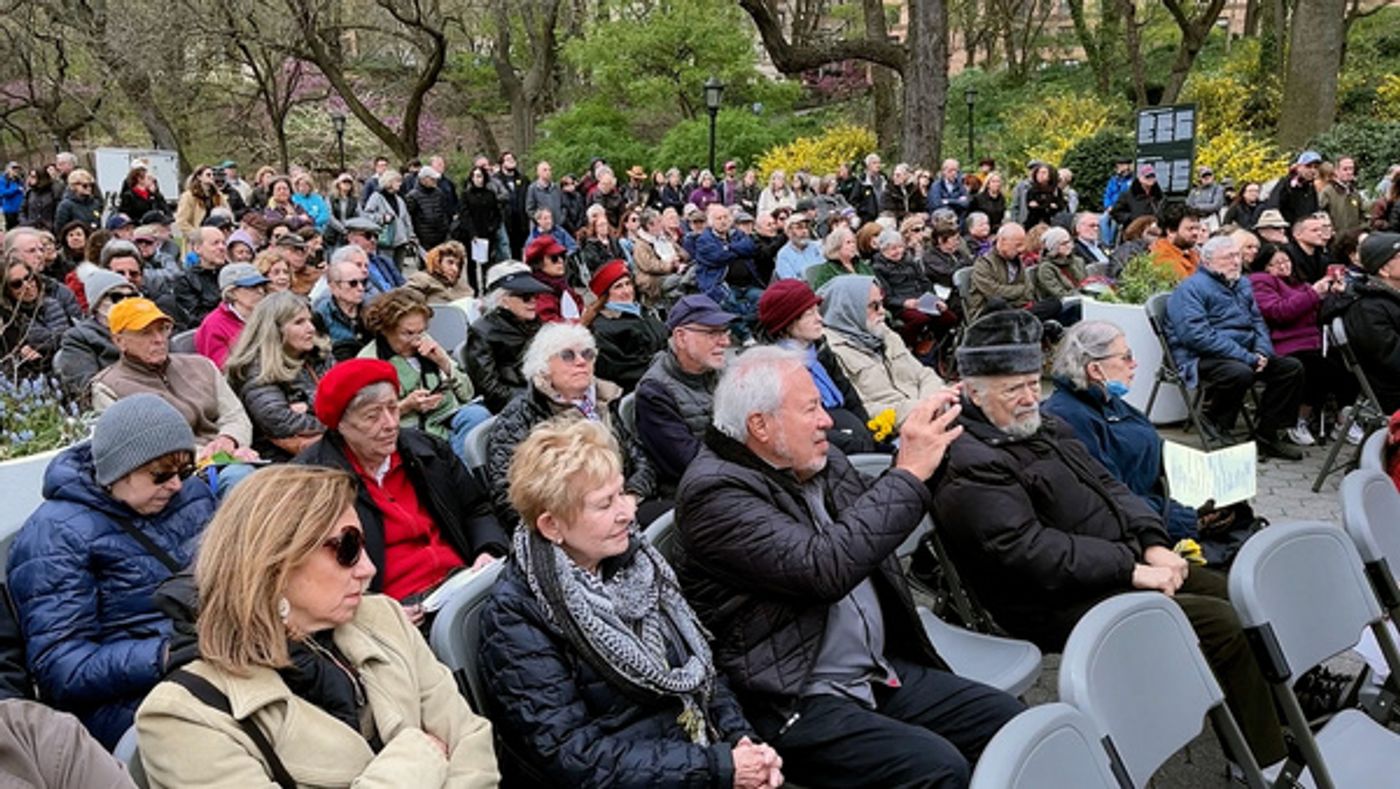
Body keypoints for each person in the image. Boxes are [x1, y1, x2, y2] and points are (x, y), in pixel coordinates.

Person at [930, 311, 1287, 767]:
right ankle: (1266, 760)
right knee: (1218, 624)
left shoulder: (1042, 426)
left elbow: (1112, 486)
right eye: (1011, 389)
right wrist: (1133, 569)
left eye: (1029, 384)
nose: (1027, 399)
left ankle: (1273, 715)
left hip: (1114, 562)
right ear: (974, 393)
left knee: (1235, 594)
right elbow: (1027, 552)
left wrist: (1153, 541)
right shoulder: (969, 458)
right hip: (1048, 598)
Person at [675, 347, 1023, 788]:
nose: (826, 419)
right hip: (792, 695)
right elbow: (824, 568)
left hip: (871, 669)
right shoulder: (715, 494)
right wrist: (908, 473)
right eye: (810, 408)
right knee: (938, 768)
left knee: (1008, 724)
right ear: (760, 426)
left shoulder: (816, 458)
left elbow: (876, 525)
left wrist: (934, 446)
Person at [134, 465, 500, 787]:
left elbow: (470, 739)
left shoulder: (384, 618)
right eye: (348, 549)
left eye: (365, 543)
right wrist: (420, 755)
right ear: (275, 563)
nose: (368, 569)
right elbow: (445, 749)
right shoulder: (185, 716)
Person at [478, 420, 780, 788]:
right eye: (605, 504)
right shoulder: (516, 616)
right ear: (552, 526)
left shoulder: (638, 564)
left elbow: (702, 667)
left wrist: (741, 742)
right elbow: (574, 757)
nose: (628, 512)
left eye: (622, 493)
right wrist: (719, 768)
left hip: (695, 757)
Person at [6, 394, 216, 748]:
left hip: (209, 655)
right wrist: (164, 654)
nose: (176, 485)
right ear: (117, 470)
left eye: (184, 470)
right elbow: (61, 666)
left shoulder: (189, 494)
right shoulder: (56, 535)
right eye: (160, 474)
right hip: (125, 697)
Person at [295, 360, 508, 611]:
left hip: (465, 578)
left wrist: (488, 550)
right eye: (372, 416)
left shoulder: (426, 450)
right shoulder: (313, 482)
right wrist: (375, 614)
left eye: (393, 408)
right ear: (341, 425)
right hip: (397, 607)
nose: (390, 423)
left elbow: (476, 508)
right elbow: (314, 571)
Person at [1044, 321, 1255, 555]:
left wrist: (1212, 475)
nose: (1134, 364)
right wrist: (1187, 518)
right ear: (1095, 370)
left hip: (1163, 507)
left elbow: (1151, 447)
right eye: (1126, 357)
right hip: (1139, 533)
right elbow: (1109, 496)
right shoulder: (1070, 417)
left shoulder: (1106, 400)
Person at [485, 322, 659, 524]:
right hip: (573, 524)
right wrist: (592, 514)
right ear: (544, 367)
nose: (581, 362)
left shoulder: (601, 401)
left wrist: (630, 496)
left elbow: (641, 460)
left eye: (587, 354)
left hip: (625, 504)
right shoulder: (518, 417)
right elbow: (511, 499)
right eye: (567, 355)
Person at [1164, 237, 1305, 458]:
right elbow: (1196, 336)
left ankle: (1267, 435)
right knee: (1239, 372)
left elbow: (1258, 322)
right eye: (1228, 257)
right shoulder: (1190, 289)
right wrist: (1247, 357)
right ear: (1208, 261)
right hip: (1200, 356)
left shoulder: (1242, 283)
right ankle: (1215, 420)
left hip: (1244, 351)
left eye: (1237, 256)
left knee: (1290, 367)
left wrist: (1261, 352)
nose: (1236, 262)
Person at [90, 298, 259, 467]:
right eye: (146, 332)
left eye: (163, 329)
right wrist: (209, 457)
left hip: (235, 455)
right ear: (119, 341)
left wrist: (230, 439)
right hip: (176, 473)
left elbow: (235, 414)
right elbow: (137, 447)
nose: (159, 339)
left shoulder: (201, 365)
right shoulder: (108, 387)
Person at [358, 288, 489, 461]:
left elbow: (467, 394)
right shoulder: (369, 360)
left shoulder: (427, 344)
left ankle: (459, 472)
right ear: (385, 330)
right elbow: (367, 418)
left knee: (478, 416)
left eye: (421, 331)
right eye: (408, 333)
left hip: (443, 419)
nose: (416, 340)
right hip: (408, 431)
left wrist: (444, 363)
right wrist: (407, 405)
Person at [756, 279, 877, 454]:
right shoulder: (775, 368)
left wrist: (870, 431)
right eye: (809, 314)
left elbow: (849, 396)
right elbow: (796, 425)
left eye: (817, 311)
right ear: (787, 323)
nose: (820, 319)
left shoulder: (819, 350)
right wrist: (853, 443)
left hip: (855, 436)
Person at [1247, 243, 1351, 446]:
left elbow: (1317, 312)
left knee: (1344, 364)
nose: (1284, 266)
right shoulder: (1261, 282)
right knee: (1320, 368)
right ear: (1265, 267)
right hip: (1284, 343)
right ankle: (1297, 420)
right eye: (1276, 263)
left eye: (1286, 260)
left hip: (1310, 340)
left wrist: (1333, 295)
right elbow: (1279, 312)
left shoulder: (1298, 284)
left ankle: (1339, 421)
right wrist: (1313, 293)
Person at [818, 273, 945, 433]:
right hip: (894, 431)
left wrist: (933, 402)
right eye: (874, 306)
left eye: (882, 304)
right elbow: (862, 410)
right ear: (849, 309)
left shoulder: (882, 332)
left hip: (928, 413)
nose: (883, 312)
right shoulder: (831, 352)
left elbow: (923, 374)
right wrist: (922, 409)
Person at [635, 295, 734, 495]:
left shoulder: (722, 370)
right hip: (699, 492)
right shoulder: (654, 393)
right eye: (713, 333)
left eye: (725, 331)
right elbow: (689, 461)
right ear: (681, 337)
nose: (725, 341)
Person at [224, 291, 331, 461]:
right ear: (275, 330)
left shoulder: (319, 354)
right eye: (299, 322)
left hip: (324, 444)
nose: (311, 328)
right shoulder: (255, 369)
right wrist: (335, 422)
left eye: (309, 320)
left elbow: (348, 396)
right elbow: (279, 422)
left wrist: (308, 405)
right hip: (279, 458)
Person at [465, 261, 551, 412]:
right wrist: (531, 401)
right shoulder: (482, 331)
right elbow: (489, 387)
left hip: (544, 394)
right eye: (525, 297)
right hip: (514, 407)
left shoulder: (535, 323)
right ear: (503, 300)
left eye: (535, 295)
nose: (533, 301)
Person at [586, 260, 668, 392]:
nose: (626, 291)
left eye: (628, 284)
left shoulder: (643, 312)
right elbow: (622, 370)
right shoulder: (602, 329)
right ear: (606, 295)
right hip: (644, 389)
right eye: (618, 287)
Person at [1342, 232, 1400, 414]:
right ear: (1384, 270)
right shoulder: (1368, 309)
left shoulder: (1391, 299)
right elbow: (1392, 358)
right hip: (1392, 392)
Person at [55, 270, 132, 398]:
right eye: (117, 297)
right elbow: (85, 388)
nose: (126, 302)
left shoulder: (146, 328)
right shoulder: (78, 338)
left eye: (132, 297)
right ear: (98, 304)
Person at [967, 223, 1061, 323]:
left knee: (1055, 303)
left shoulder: (1016, 260)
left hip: (1017, 309)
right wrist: (1020, 290)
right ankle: (1022, 321)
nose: (1022, 249)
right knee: (997, 303)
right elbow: (994, 293)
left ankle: (1021, 321)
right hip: (990, 315)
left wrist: (1019, 294)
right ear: (1002, 241)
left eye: (1023, 245)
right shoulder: (984, 263)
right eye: (1018, 245)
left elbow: (1029, 289)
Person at [0, 258, 72, 381]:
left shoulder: (50, 304)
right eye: (17, 284)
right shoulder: (8, 320)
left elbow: (62, 338)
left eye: (29, 277)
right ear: (7, 290)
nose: (27, 285)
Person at [193, 262, 269, 369]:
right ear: (231, 293)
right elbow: (223, 369)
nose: (260, 291)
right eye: (252, 287)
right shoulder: (214, 325)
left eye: (262, 286)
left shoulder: (265, 316)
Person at [524, 234, 583, 323]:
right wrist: (584, 321)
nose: (561, 261)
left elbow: (580, 306)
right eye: (554, 258)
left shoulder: (561, 285)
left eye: (562, 256)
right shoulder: (540, 293)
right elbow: (552, 324)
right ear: (539, 263)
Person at [363, 170, 416, 269]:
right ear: (389, 182)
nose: (400, 184)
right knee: (386, 270)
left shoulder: (399, 199)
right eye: (397, 181)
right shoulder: (376, 197)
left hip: (401, 241)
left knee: (398, 271)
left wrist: (411, 235)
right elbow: (366, 215)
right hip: (386, 241)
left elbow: (406, 219)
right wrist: (382, 218)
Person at [807, 225, 874, 289]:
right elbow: (822, 294)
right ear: (836, 246)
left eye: (854, 242)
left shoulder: (860, 263)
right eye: (848, 242)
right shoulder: (827, 270)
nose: (853, 245)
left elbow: (874, 281)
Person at [407, 240, 474, 303]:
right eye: (450, 262)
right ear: (438, 262)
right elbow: (403, 299)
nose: (455, 269)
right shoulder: (422, 279)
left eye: (458, 265)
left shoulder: (461, 286)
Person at [405, 166, 453, 251]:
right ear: (424, 179)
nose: (435, 181)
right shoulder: (412, 196)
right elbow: (408, 217)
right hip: (424, 239)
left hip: (441, 236)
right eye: (432, 179)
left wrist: (446, 229)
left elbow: (444, 212)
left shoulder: (439, 193)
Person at [1149, 202, 1201, 280]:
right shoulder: (1162, 257)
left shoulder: (1190, 252)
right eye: (1190, 229)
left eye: (1197, 228)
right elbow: (1187, 287)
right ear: (1171, 231)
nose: (1196, 233)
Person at [173, 167, 225, 240]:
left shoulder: (218, 195)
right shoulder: (188, 196)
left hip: (215, 234)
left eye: (213, 175)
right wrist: (196, 235)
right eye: (208, 175)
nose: (212, 177)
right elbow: (181, 221)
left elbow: (226, 212)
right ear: (199, 177)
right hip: (198, 236)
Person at [1110, 164, 1163, 229]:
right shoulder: (1127, 195)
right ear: (1140, 178)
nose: (1151, 178)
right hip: (1134, 232)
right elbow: (1116, 212)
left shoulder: (1160, 196)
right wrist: (1130, 218)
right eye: (1147, 176)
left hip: (1155, 232)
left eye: (1153, 176)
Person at [1275, 151, 1322, 224]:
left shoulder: (1310, 187)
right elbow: (1274, 208)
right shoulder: (1286, 185)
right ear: (1298, 167)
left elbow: (1315, 210)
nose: (1312, 170)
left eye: (1316, 167)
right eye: (1308, 166)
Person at [1022, 163, 1064, 229]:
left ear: (1050, 175)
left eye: (1044, 173)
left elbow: (1059, 207)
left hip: (1052, 224)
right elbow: (1031, 207)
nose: (1040, 175)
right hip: (1033, 224)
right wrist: (1048, 205)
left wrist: (1042, 205)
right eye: (1038, 173)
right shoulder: (1032, 190)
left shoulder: (1056, 190)